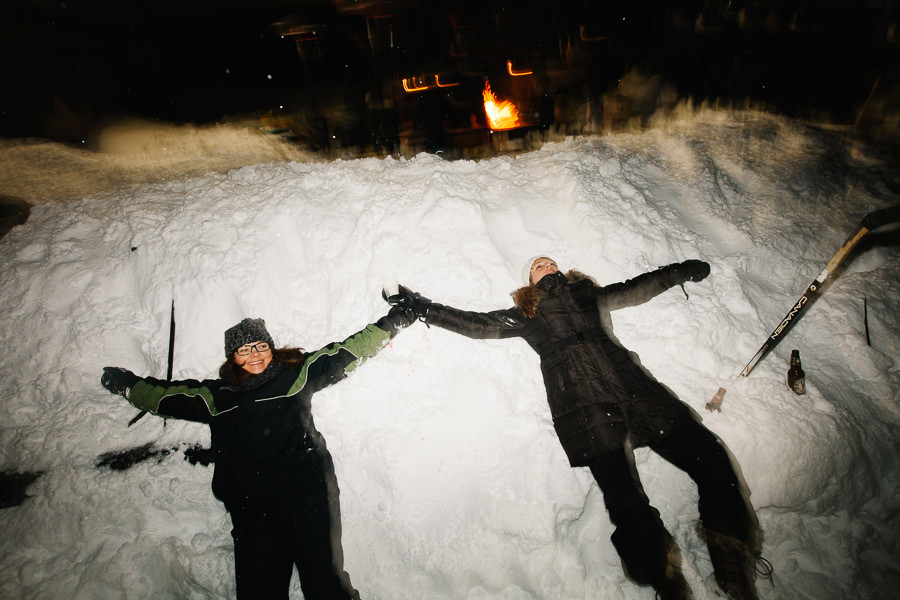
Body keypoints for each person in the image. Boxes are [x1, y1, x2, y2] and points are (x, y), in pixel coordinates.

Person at [387, 256, 766, 600]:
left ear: (563, 271)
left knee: (712, 460)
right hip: (585, 410)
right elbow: (475, 324)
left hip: (640, 394)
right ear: (530, 283)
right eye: (537, 265)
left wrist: (680, 271)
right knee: (627, 503)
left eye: (549, 261)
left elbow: (638, 287)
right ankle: (665, 581)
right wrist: (422, 307)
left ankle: (732, 559)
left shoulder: (590, 295)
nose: (545, 264)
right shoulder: (526, 314)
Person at [100, 307, 414, 600]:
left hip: (307, 500)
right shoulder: (216, 397)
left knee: (325, 587)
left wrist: (392, 323)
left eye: (260, 346)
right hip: (253, 514)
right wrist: (128, 386)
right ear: (232, 357)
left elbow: (346, 352)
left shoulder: (294, 376)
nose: (255, 355)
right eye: (244, 349)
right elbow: (164, 397)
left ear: (271, 347)